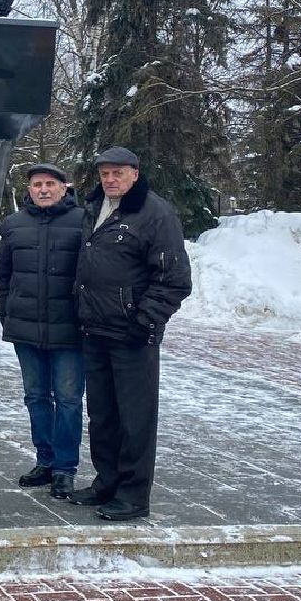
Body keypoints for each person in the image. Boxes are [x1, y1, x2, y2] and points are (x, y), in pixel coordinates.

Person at [67, 145, 192, 522]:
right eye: (105, 173)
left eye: (118, 173)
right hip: (95, 329)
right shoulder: (95, 207)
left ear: (135, 174)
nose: (110, 179)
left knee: (135, 418)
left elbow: (174, 279)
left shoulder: (155, 214)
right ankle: (107, 481)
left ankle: (134, 494)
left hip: (132, 334)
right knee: (103, 414)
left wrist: (144, 321)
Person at [0, 162, 86, 500]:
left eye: (50, 183)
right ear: (29, 190)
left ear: (64, 187)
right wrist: (7, 313)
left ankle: (65, 468)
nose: (43, 189)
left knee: (68, 399)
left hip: (70, 330)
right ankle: (45, 460)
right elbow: (3, 276)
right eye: (37, 184)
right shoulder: (14, 225)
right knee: (35, 397)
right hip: (26, 328)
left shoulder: (83, 221)